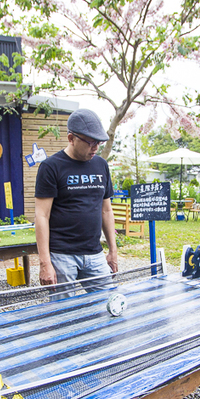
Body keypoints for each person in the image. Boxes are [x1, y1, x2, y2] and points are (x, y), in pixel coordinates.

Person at [34, 108, 118, 297]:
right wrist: (45, 263)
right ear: (71, 138)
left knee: (111, 303)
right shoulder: (51, 167)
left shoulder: (101, 165)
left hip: (94, 253)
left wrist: (113, 250)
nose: (95, 147)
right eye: (90, 142)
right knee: (64, 313)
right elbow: (42, 215)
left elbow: (106, 211)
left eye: (98, 142)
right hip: (61, 256)